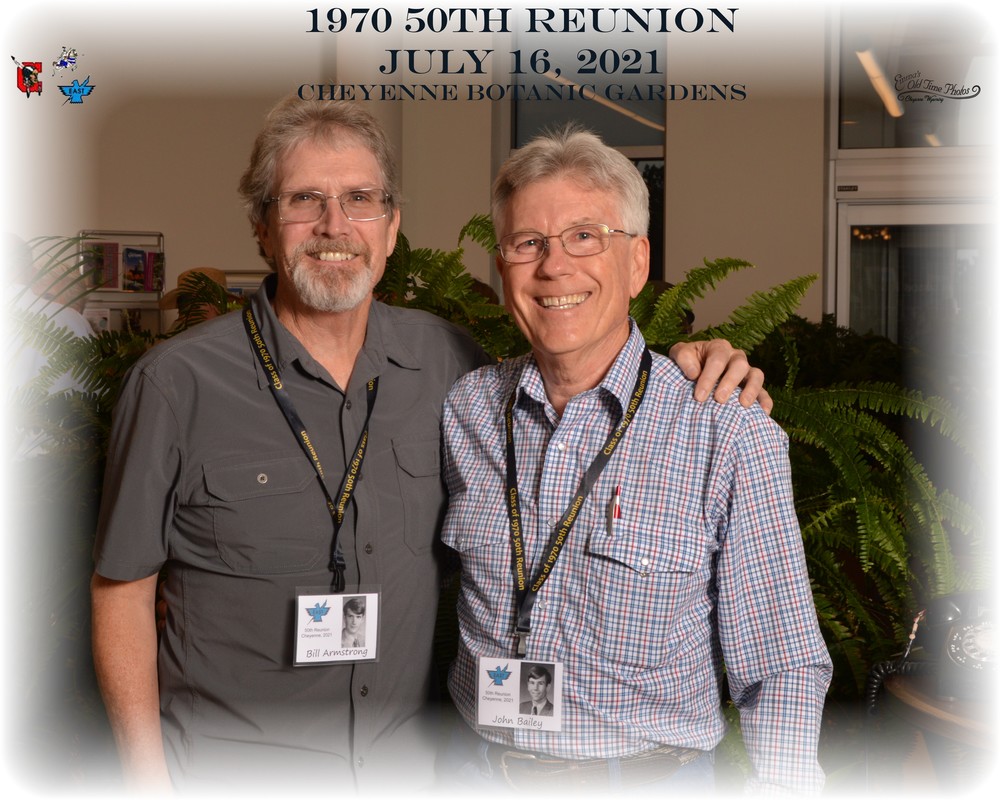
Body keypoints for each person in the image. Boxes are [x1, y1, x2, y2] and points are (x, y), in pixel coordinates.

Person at [90, 97, 767, 794]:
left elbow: (577, 374)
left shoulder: (452, 369)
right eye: (304, 199)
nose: (334, 225)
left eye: (360, 199)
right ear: (263, 227)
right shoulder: (174, 386)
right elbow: (122, 592)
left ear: (391, 229)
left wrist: (689, 366)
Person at [440, 127, 832, 794]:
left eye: (584, 237)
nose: (554, 267)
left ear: (638, 262)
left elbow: (782, 665)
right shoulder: (467, 410)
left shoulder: (727, 431)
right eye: (527, 242)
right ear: (502, 268)